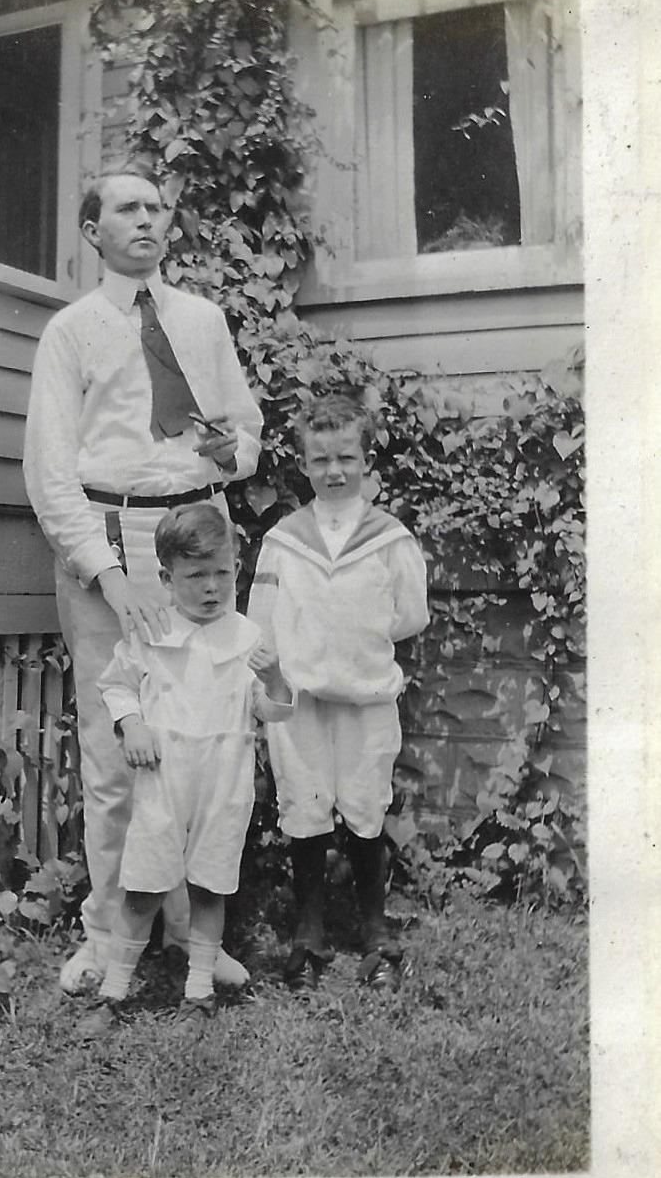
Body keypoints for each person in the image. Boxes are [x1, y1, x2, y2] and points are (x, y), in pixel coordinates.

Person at [22, 160, 263, 992]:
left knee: (209, 736)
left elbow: (242, 427)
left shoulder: (201, 320)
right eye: (127, 209)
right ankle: (106, 935)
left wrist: (235, 450)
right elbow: (51, 471)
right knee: (116, 743)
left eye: (157, 207)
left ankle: (193, 935)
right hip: (109, 530)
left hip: (197, 525)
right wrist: (105, 572)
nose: (147, 220)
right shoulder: (73, 332)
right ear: (93, 232)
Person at [80, 504, 292, 1039]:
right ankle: (113, 994)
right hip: (164, 777)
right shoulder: (152, 633)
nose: (212, 587)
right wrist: (133, 727)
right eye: (196, 576)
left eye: (223, 573)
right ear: (168, 578)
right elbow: (117, 685)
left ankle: (198, 994)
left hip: (223, 778)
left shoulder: (247, 637)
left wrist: (278, 681)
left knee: (209, 885)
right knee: (143, 887)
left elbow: (270, 710)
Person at [246, 394, 429, 992]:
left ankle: (375, 926)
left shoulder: (390, 539)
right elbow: (263, 617)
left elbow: (408, 616)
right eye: (320, 459)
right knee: (304, 804)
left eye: (346, 457)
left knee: (366, 804)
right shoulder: (284, 540)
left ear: (366, 460)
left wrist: (354, 643)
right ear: (303, 462)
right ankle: (309, 929)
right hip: (300, 700)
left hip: (367, 696)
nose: (334, 471)